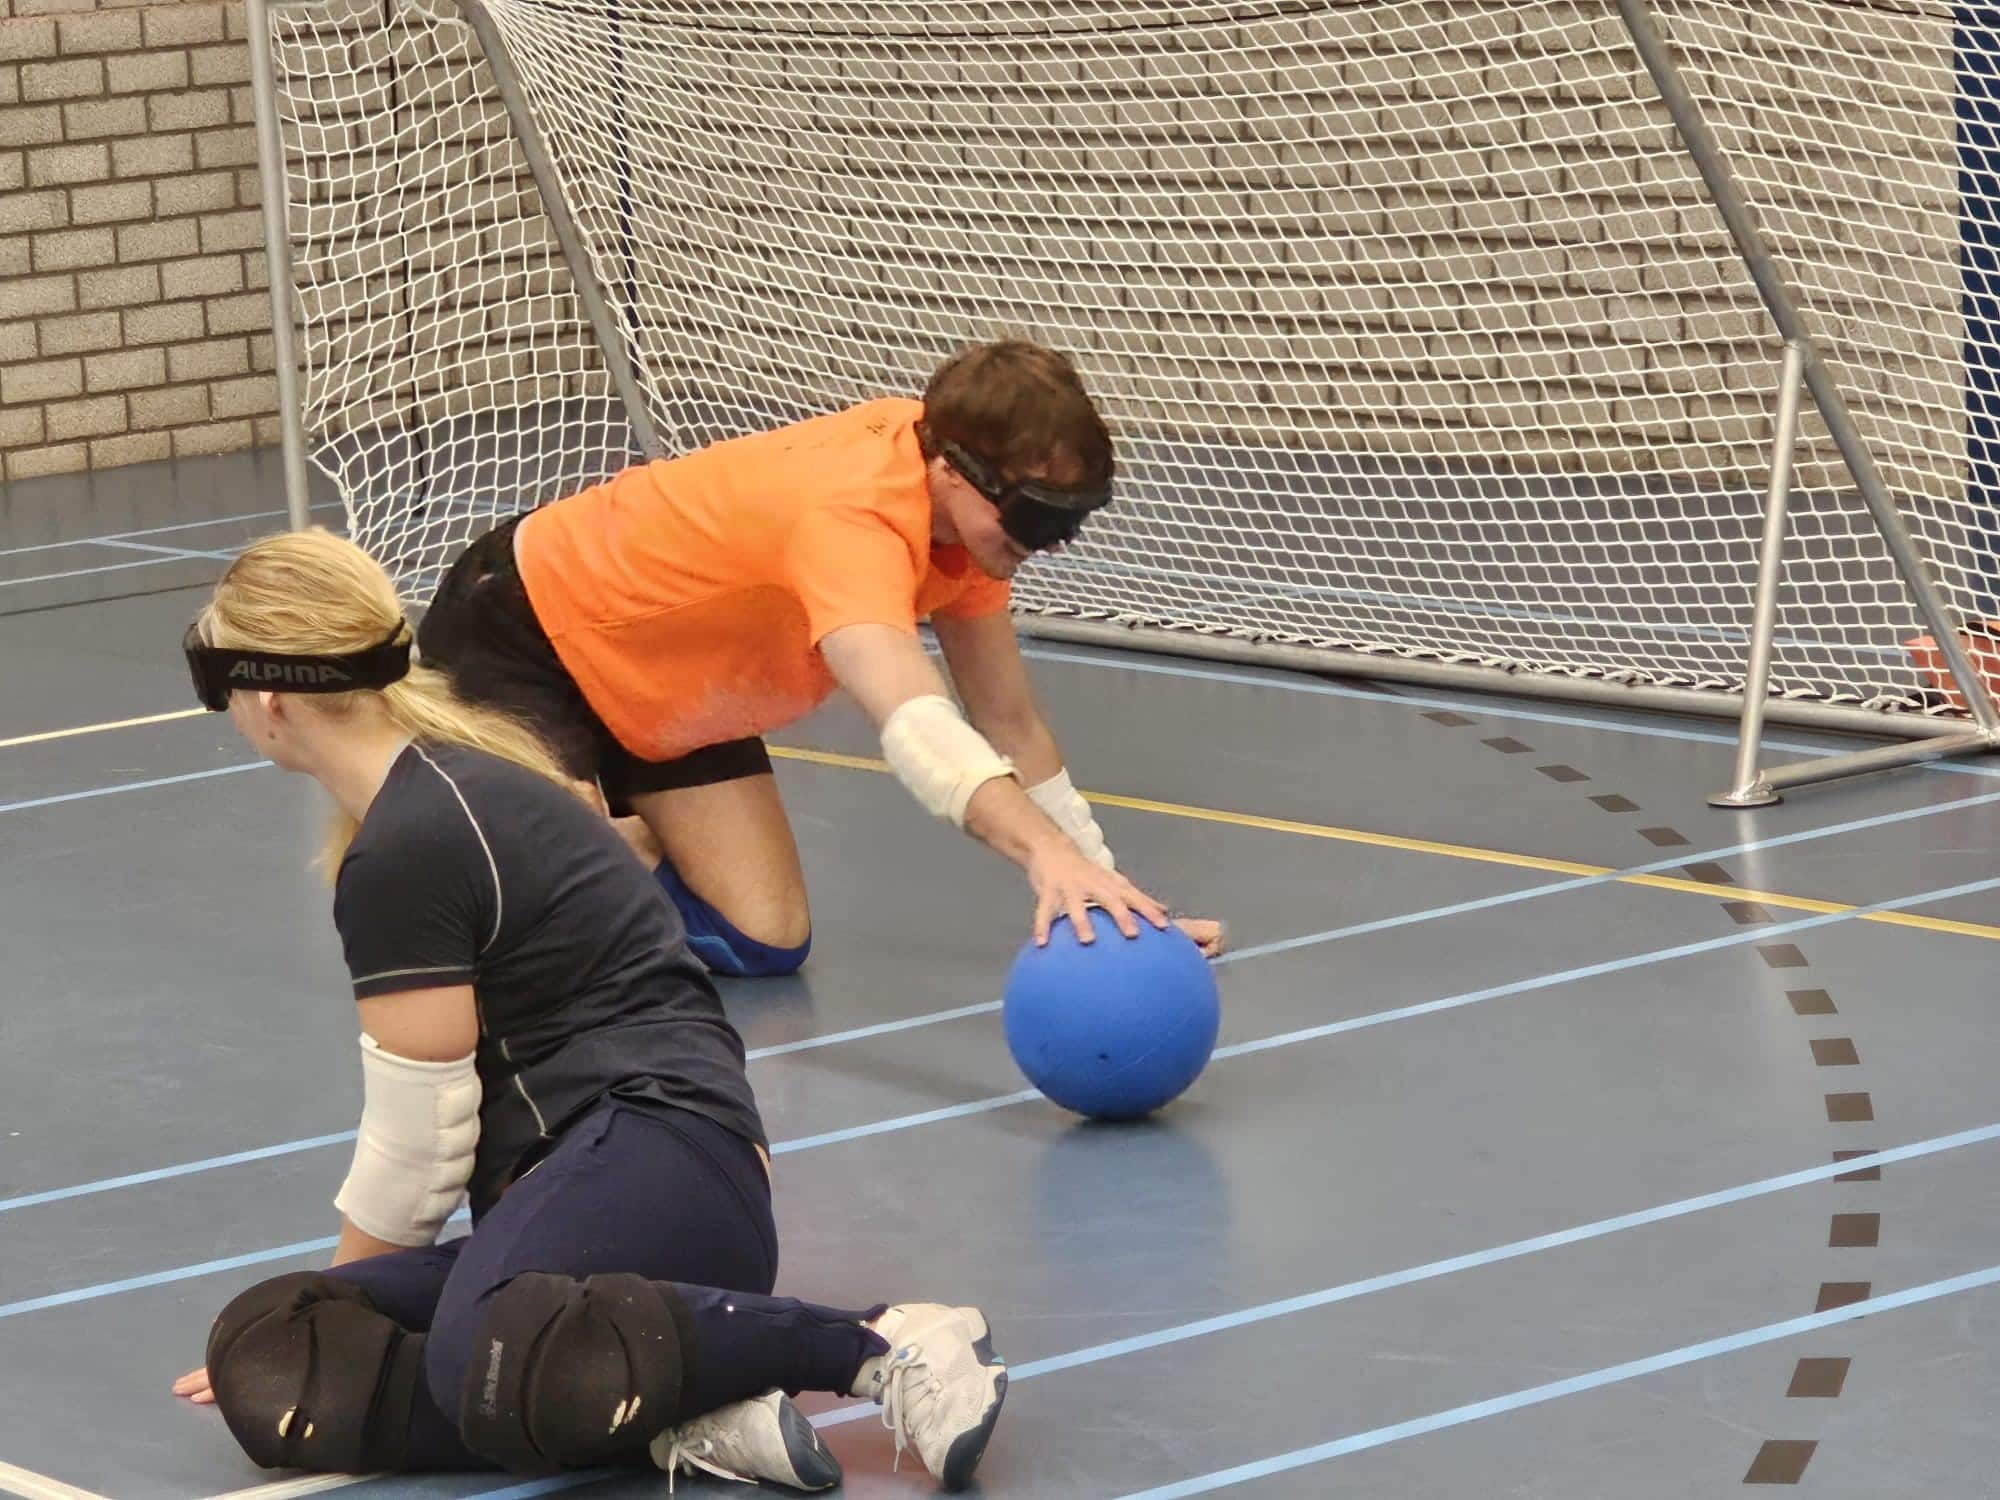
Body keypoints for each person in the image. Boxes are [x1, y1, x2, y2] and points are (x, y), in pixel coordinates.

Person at [170, 530, 1008, 1492]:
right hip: (584, 1213)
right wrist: (328, 1314)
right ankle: (676, 1408)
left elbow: (422, 1137)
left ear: (266, 693)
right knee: (274, 1350)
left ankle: (874, 1345)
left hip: (660, 1162)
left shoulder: (413, 837)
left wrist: (357, 1290)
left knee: (473, 1349)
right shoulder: (432, 793)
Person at [417, 338, 1224, 978]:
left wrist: (1110, 898)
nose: (1046, 548)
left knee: (765, 939)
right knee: (573, 932)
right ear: (954, 470)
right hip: (529, 629)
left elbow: (1009, 722)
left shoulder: (972, 532)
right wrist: (1041, 852)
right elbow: (917, 722)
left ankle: (598, 821)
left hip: (671, 687)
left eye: (1068, 523)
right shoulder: (852, 518)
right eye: (1035, 518)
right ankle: (533, 819)